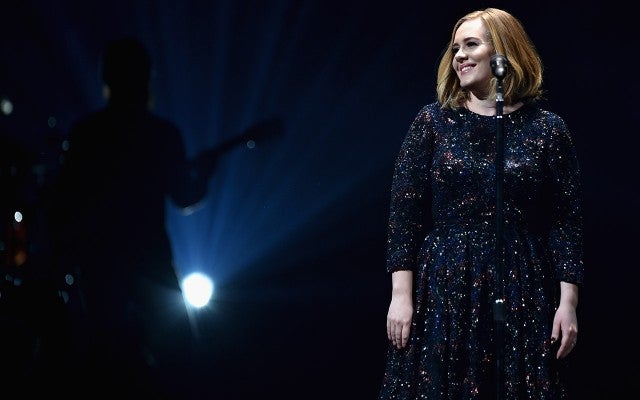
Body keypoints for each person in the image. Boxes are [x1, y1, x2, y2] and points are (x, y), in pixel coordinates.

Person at [379, 8, 583, 400]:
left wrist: (568, 302)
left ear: (503, 53)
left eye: (471, 45)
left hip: (522, 282)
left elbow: (567, 221)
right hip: (445, 282)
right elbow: (404, 214)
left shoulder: (548, 129)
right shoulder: (433, 122)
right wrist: (400, 295)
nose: (459, 55)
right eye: (456, 48)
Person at [46, 37, 217, 398]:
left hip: (100, 265)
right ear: (146, 78)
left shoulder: (87, 133)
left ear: (107, 78)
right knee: (181, 362)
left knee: (105, 365)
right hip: (150, 262)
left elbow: (62, 204)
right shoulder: (162, 134)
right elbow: (184, 197)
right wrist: (205, 174)